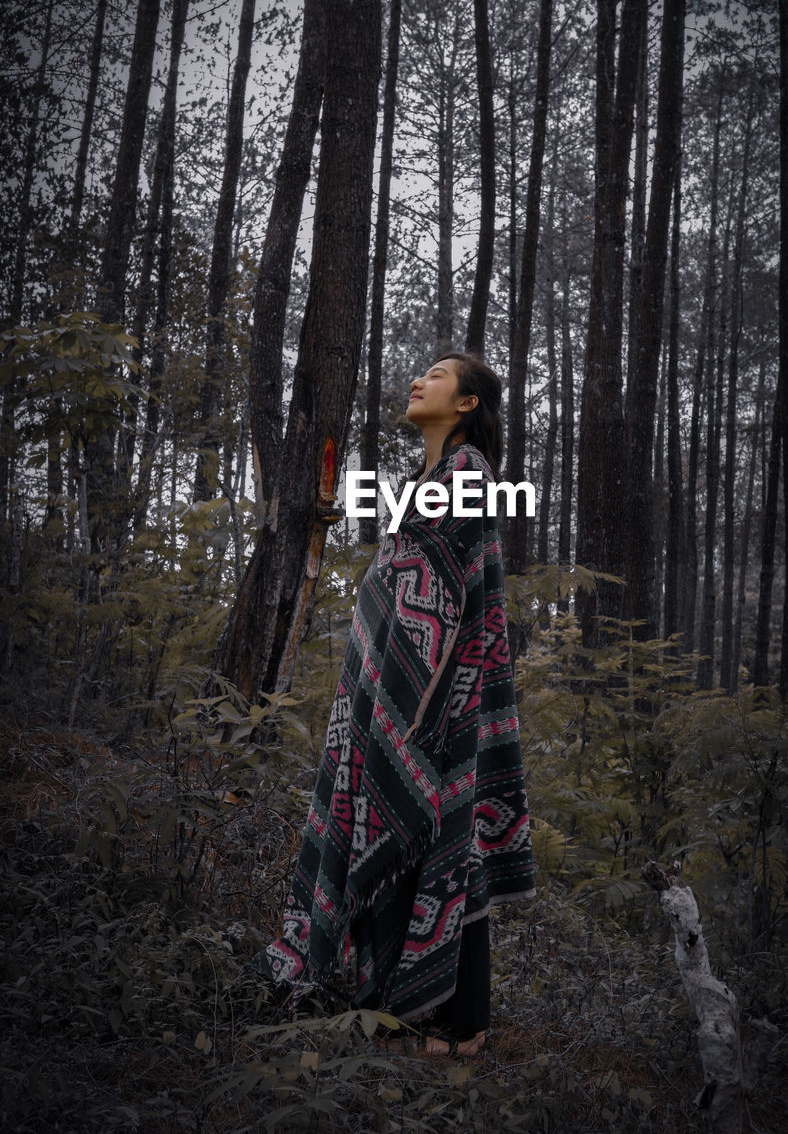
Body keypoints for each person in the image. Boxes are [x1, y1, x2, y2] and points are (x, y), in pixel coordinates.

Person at [251, 351, 536, 1057]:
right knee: (428, 831)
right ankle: (418, 1008)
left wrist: (416, 712)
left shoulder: (465, 475)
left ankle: (457, 1018)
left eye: (439, 375)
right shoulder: (430, 481)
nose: (420, 380)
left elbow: (447, 607)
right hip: (393, 692)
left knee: (435, 828)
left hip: (430, 698)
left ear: (468, 404)